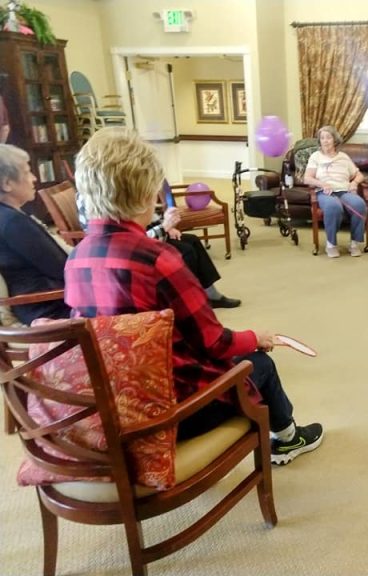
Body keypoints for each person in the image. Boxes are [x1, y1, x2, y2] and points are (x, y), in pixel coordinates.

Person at [65, 127, 323, 464]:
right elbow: (213, 343)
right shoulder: (159, 260)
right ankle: (288, 438)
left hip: (108, 404)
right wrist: (255, 337)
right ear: (146, 193)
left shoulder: (76, 257)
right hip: (167, 411)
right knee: (259, 363)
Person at [75, 185, 240, 309]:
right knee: (185, 251)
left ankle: (211, 294)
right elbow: (128, 241)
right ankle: (187, 302)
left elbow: (144, 220)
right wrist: (163, 228)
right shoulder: (98, 201)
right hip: (126, 249)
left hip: (141, 236)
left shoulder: (120, 190)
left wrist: (167, 227)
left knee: (192, 241)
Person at [0, 144, 70, 324]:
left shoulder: (8, 216)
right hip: (48, 306)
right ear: (7, 183)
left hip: (36, 304)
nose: (34, 178)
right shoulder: (13, 223)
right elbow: (62, 267)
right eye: (27, 172)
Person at [302, 126, 367, 258]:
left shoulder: (343, 157)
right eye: (322, 138)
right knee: (333, 207)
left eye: (328, 138)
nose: (325, 141)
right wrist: (322, 183)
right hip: (324, 193)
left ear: (335, 140)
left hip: (344, 191)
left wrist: (354, 183)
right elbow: (307, 178)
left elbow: (359, 175)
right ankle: (331, 243)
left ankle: (354, 243)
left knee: (360, 205)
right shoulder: (316, 156)